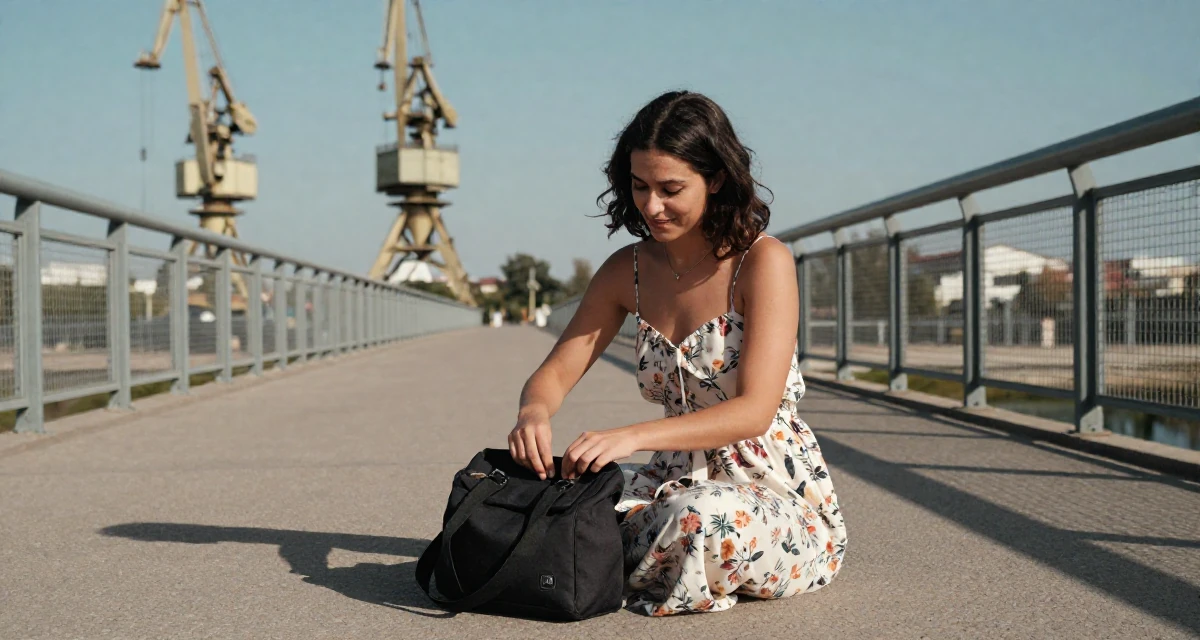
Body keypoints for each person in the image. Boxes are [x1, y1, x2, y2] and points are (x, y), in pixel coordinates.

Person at [509, 90, 846, 616]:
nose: (651, 206)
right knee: (564, 498)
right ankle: (606, 556)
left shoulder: (763, 262)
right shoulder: (627, 271)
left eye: (670, 189)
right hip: (670, 477)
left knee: (698, 516)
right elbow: (553, 375)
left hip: (772, 489)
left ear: (716, 179)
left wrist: (630, 436)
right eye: (639, 186)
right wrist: (533, 412)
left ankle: (599, 561)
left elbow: (755, 411)